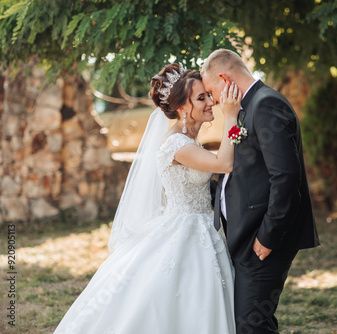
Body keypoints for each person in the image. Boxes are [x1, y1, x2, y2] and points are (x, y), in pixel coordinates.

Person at [54, 63, 242, 334]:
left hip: (200, 229)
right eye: (201, 98)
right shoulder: (177, 144)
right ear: (181, 108)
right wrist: (232, 116)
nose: (211, 102)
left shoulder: (188, 140)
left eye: (208, 96)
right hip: (185, 232)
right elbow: (224, 164)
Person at [201, 49, 320, 334]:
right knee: (254, 321)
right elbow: (248, 175)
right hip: (246, 238)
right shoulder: (247, 107)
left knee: (250, 324)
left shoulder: (266, 105)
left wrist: (268, 237)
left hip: (264, 240)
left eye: (210, 91)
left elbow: (286, 178)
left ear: (223, 78)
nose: (213, 100)